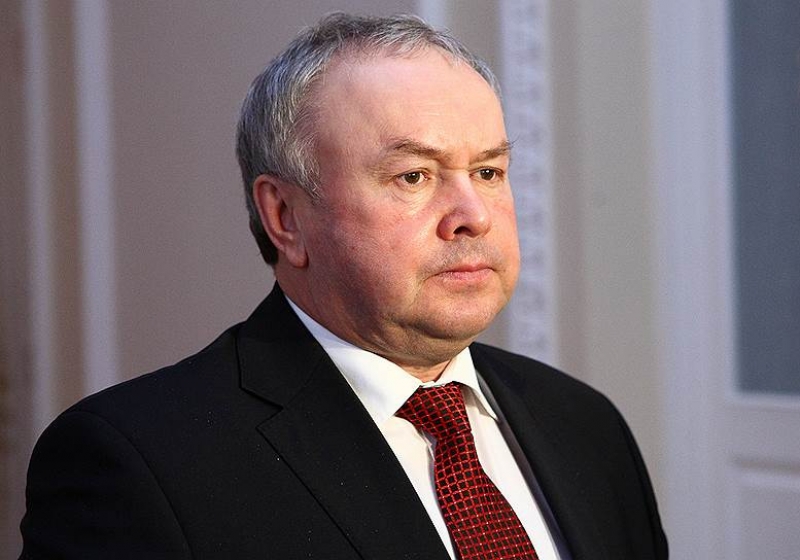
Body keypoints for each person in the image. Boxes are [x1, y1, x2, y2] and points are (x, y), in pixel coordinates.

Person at [19, 13, 667, 560]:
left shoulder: (584, 425)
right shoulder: (140, 461)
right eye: (413, 176)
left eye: (488, 171)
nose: (473, 214)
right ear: (285, 217)